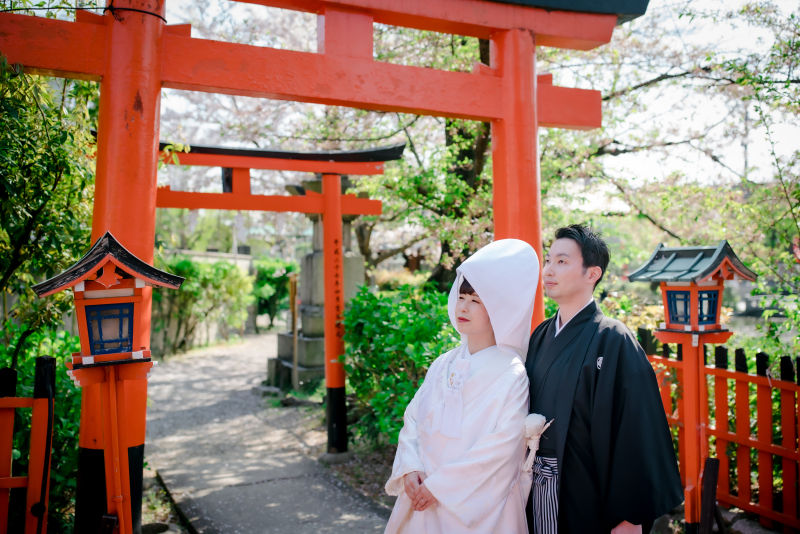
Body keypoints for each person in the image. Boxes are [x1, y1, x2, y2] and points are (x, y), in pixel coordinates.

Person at [525, 224, 683, 534]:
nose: (549, 271)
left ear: (592, 274)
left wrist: (629, 518)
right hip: (532, 484)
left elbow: (636, 431)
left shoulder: (613, 339)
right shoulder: (541, 334)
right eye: (548, 260)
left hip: (587, 492)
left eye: (562, 261)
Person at [384, 239, 540, 533]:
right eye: (462, 297)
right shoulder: (444, 362)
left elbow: (503, 447)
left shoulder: (512, 372)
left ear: (498, 309)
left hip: (475, 507)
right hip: (423, 491)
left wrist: (440, 487)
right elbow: (413, 419)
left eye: (476, 301)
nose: (463, 307)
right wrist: (411, 467)